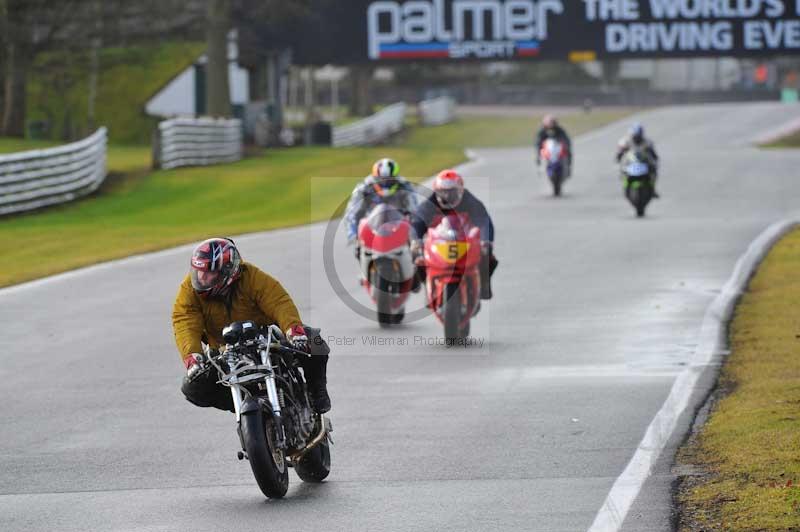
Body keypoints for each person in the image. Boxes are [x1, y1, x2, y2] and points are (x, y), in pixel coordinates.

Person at [172, 237, 331, 414]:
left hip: (262, 339)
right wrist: (192, 356)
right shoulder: (189, 290)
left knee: (314, 342)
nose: (202, 278)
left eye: (209, 273)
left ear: (227, 271)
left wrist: (293, 329)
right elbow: (184, 321)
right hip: (224, 351)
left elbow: (278, 301)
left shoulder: (251, 276)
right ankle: (242, 402)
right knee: (192, 388)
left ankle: (316, 391)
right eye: (199, 272)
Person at [411, 169, 498, 300]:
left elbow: (483, 220)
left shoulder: (469, 200)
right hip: (438, 240)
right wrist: (416, 240)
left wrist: (486, 241)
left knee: (488, 256)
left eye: (451, 192)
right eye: (442, 192)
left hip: (464, 238)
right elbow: (418, 220)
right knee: (416, 256)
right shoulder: (431, 202)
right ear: (436, 191)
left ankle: (484, 285)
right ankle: (426, 284)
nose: (446, 196)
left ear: (460, 190)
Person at [344, 158, 419, 256]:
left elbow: (415, 210)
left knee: (417, 251)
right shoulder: (364, 188)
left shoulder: (405, 186)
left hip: (398, 226)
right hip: (372, 227)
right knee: (358, 250)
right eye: (381, 180)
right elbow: (351, 212)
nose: (385, 184)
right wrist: (353, 235)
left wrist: (416, 235)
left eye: (389, 180)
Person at [616, 123, 660, 198]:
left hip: (643, 161)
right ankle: (625, 188)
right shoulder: (625, 141)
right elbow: (619, 155)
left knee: (654, 171)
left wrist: (653, 161)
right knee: (622, 171)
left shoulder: (647, 142)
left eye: (638, 136)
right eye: (635, 136)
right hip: (630, 162)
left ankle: (652, 189)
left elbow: (654, 155)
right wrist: (620, 154)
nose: (636, 138)